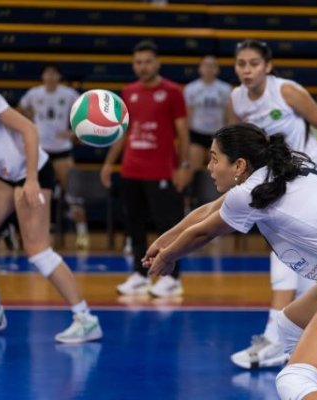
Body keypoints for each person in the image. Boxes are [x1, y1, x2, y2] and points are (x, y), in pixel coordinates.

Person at [144, 123, 317, 399]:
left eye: (214, 158)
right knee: (289, 325)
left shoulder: (250, 193)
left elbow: (204, 231)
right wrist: (165, 238)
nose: (209, 167)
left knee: (294, 379)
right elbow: (212, 209)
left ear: (239, 165)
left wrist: (168, 257)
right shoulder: (280, 171)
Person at [226, 39, 317, 369]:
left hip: (308, 179)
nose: (246, 70)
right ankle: (294, 339)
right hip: (272, 185)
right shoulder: (235, 98)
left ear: (268, 66)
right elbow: (238, 143)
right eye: (241, 64)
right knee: (300, 262)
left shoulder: (287, 92)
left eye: (253, 64)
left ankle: (279, 339)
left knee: (291, 255)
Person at [0, 50, 102, 343]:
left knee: (38, 252)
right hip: (5, 175)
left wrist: (30, 179)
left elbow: (30, 130)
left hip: (33, 171)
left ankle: (86, 318)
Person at [100, 40, 191, 298]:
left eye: (147, 62)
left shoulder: (172, 91)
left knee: (168, 226)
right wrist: (109, 162)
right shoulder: (128, 91)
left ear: (157, 63)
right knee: (134, 226)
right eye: (138, 62)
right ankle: (139, 275)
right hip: (131, 170)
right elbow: (122, 131)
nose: (143, 66)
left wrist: (183, 166)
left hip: (162, 171)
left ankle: (172, 278)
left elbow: (183, 133)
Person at [18, 64, 90, 250]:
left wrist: (74, 132)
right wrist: (30, 121)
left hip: (62, 150)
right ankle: (37, 235)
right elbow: (20, 109)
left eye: (53, 73)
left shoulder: (68, 94)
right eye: (47, 73)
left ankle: (82, 233)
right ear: (43, 76)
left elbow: (86, 111)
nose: (50, 76)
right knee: (37, 194)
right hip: (40, 150)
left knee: (73, 193)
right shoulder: (34, 94)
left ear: (59, 76)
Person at [183, 55, 232, 209]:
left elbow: (229, 115)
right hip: (197, 135)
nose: (209, 69)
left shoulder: (225, 89)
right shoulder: (191, 89)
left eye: (212, 65)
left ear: (217, 69)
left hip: (217, 136)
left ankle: (221, 210)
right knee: (191, 172)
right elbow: (187, 115)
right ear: (200, 68)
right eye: (206, 65)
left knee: (220, 173)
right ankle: (187, 208)